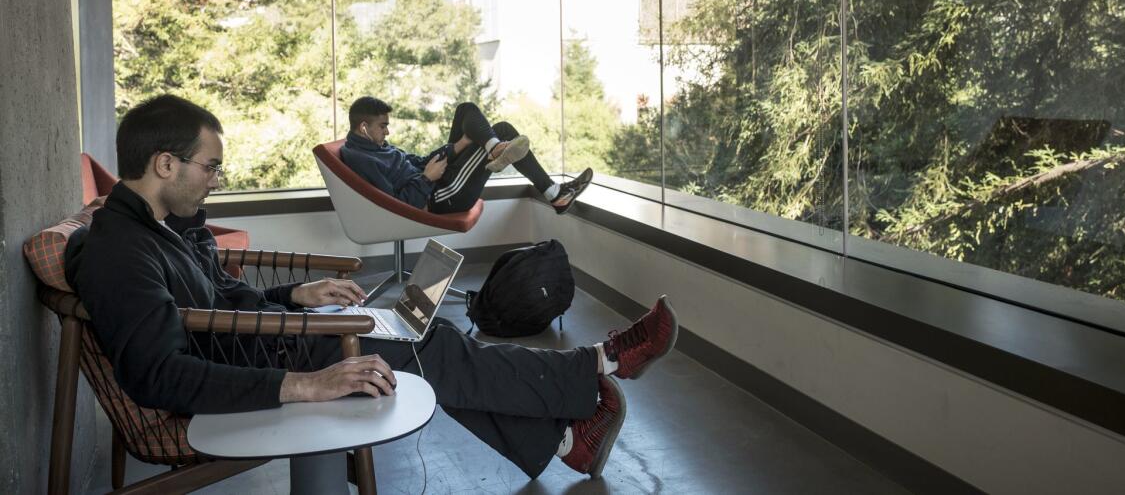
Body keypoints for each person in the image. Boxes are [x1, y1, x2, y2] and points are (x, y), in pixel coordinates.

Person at [70, 94, 679, 479]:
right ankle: (602, 362)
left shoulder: (161, 226)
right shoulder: (120, 252)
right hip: (256, 367)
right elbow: (156, 374)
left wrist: (293, 297)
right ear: (165, 164)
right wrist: (307, 384)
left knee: (416, 337)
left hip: (266, 340)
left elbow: (222, 304)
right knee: (428, 347)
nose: (216, 180)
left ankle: (570, 437)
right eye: (211, 167)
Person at [340, 96, 591, 215]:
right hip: (440, 195)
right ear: (364, 127)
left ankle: (494, 147)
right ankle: (554, 194)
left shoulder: (375, 146)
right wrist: (427, 179)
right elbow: (396, 204)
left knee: (466, 110)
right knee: (503, 130)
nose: (387, 130)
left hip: (436, 178)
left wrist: (457, 146)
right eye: (383, 126)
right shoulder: (363, 159)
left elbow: (414, 162)